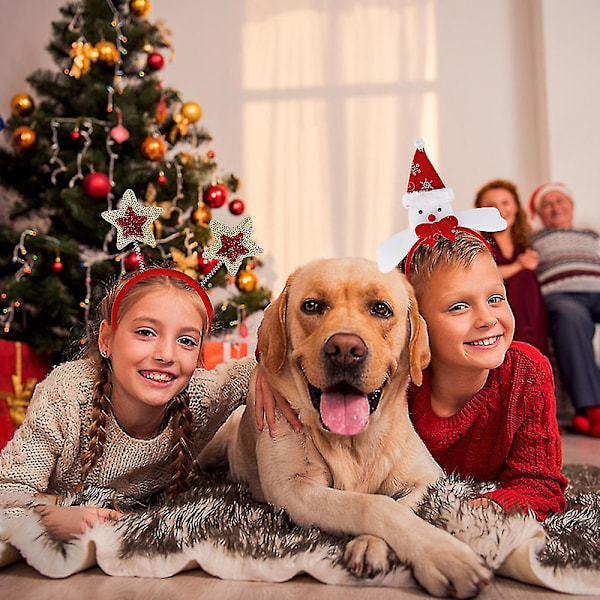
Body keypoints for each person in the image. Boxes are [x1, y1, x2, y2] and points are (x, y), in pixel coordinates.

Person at [0, 268, 289, 544]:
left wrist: (265, 366)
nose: (166, 354)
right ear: (106, 340)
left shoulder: (201, 397)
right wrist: (52, 519)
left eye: (186, 341)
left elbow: (269, 358)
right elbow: (6, 494)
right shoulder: (67, 394)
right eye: (146, 333)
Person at [405, 232, 567, 521]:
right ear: (416, 324)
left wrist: (489, 508)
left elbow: (540, 485)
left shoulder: (526, 373)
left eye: (495, 298)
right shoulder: (398, 380)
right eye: (459, 306)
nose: (488, 319)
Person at [529, 182, 600, 437]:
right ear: (539, 214)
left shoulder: (590, 234)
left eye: (560, 201)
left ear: (571, 206)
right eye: (547, 205)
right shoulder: (533, 239)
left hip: (596, 289)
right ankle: (591, 409)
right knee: (571, 317)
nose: (555, 208)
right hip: (561, 296)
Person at [474, 179, 549, 355]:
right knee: (524, 277)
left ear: (515, 207)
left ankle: (533, 354)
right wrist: (518, 266)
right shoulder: (478, 242)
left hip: (532, 317)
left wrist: (532, 265)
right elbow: (482, 276)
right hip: (494, 311)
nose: (500, 210)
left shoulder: (527, 242)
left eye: (505, 203)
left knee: (527, 279)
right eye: (491, 205)